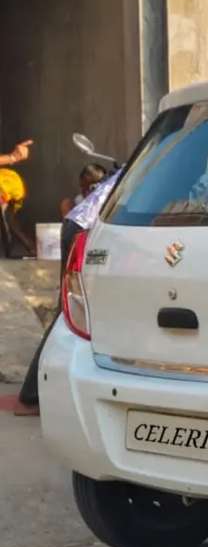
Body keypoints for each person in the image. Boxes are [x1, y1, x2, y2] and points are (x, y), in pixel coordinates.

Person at [15, 167, 121, 416]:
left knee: (76, 309)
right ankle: (30, 396)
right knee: (70, 309)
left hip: (82, 225)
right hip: (83, 228)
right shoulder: (155, 161)